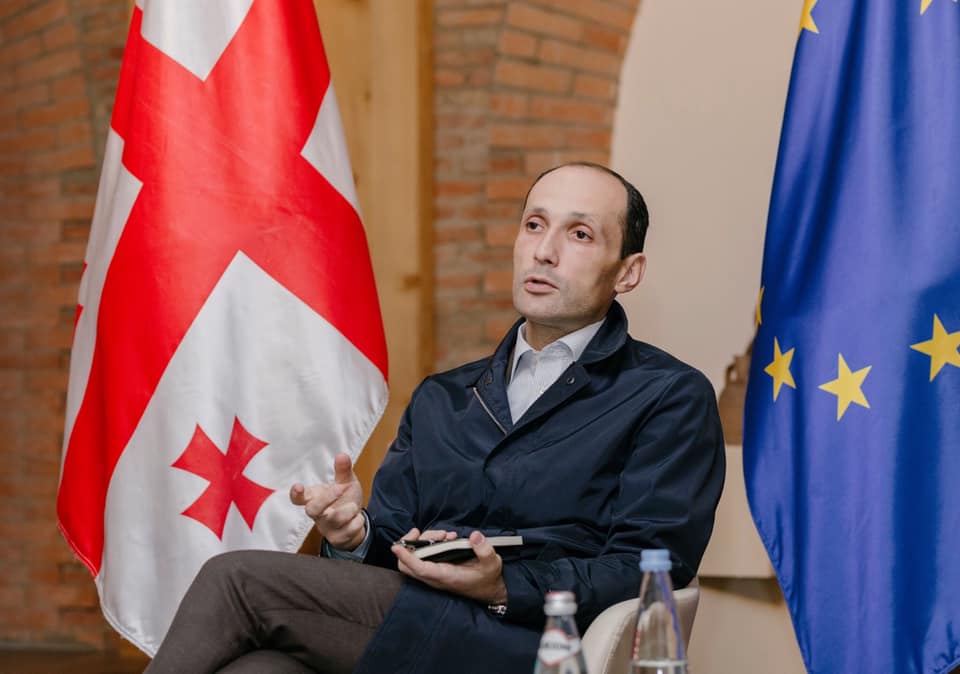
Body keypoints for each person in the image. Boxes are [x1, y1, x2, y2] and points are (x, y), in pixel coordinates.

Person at [146, 162, 725, 674]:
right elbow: (390, 545)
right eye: (534, 225)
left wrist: (504, 586)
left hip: (538, 641)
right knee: (261, 668)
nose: (544, 251)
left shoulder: (668, 395)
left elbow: (652, 567)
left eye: (579, 234)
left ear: (627, 272)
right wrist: (354, 537)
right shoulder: (442, 397)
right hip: (416, 619)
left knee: (237, 579)